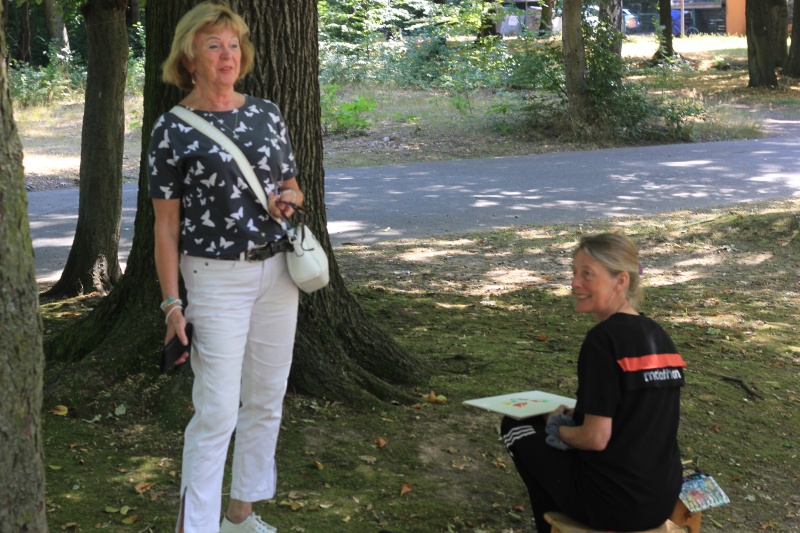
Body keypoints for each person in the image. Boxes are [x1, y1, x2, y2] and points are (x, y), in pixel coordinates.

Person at [147, 3, 304, 532]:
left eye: (233, 45)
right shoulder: (172, 129)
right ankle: (197, 527)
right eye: (213, 45)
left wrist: (287, 200)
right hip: (213, 278)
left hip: (278, 273)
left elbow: (292, 185)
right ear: (189, 58)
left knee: (266, 398)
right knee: (215, 411)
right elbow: (165, 227)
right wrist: (172, 303)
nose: (227, 54)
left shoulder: (267, 113)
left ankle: (241, 514)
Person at [500, 232, 686, 533]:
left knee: (515, 425)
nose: (575, 283)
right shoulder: (658, 335)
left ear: (620, 281)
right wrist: (573, 417)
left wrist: (556, 427)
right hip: (660, 498)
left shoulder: (603, 341)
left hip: (615, 505)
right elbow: (637, 413)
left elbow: (596, 438)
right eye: (574, 272)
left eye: (587, 274)